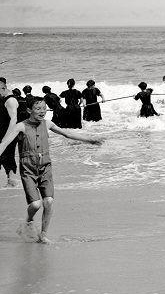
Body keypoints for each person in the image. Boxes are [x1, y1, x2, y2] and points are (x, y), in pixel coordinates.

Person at [0, 97, 103, 243]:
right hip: (28, 168)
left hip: (45, 167)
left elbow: (67, 134)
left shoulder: (47, 123)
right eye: (38, 108)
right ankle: (28, 221)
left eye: (44, 108)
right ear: (29, 110)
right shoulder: (20, 126)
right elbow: (4, 144)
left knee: (48, 201)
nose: (42, 111)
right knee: (36, 204)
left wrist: (90, 140)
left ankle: (43, 235)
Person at [0, 77, 19, 186]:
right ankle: (11, 182)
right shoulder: (2, 98)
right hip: (2, 134)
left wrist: (6, 138)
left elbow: (14, 119)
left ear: (3, 88)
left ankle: (12, 182)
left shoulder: (11, 100)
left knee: (8, 157)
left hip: (7, 134)